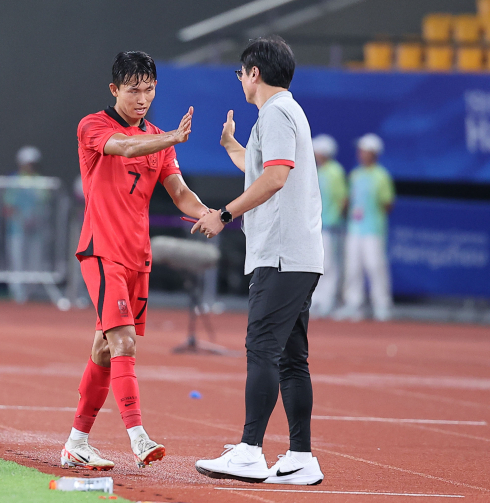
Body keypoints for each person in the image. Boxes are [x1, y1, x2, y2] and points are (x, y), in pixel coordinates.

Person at [61, 51, 210, 470]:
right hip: (101, 250)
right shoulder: (93, 126)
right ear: (114, 90)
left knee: (104, 349)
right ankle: (139, 438)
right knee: (122, 341)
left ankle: (76, 442)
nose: (142, 98)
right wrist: (170, 139)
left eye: (149, 89)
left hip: (136, 257)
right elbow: (124, 146)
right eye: (133, 90)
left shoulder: (161, 140)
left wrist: (213, 213)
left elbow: (180, 194)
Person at [191, 37, 325, 486]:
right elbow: (263, 169)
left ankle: (250, 450)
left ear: (253, 73)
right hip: (297, 254)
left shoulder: (275, 113)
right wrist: (232, 146)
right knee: (291, 359)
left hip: (283, 254)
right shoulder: (285, 113)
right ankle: (301, 457)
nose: (240, 80)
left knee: (262, 348)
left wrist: (224, 213)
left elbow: (275, 177)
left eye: (241, 73)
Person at [334, 133, 395, 322]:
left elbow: (387, 203)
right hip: (354, 229)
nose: (360, 154)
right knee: (352, 267)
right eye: (360, 150)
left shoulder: (382, 176)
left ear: (373, 153)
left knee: (375, 267)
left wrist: (373, 218)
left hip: (373, 231)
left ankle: (382, 306)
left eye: (364, 150)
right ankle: (354, 304)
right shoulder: (355, 174)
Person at [4, 146, 48, 303]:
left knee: (34, 263)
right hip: (17, 230)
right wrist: (21, 220)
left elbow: (45, 204)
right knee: (17, 263)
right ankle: (17, 295)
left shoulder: (41, 182)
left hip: (36, 231)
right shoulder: (14, 180)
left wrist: (36, 220)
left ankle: (31, 294)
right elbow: (8, 206)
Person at [310, 134, 347, 318]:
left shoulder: (335, 171)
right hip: (319, 226)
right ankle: (316, 300)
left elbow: (343, 199)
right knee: (317, 264)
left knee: (329, 265)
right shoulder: (320, 171)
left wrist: (336, 221)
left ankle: (328, 301)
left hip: (331, 227)